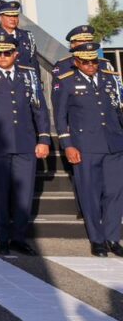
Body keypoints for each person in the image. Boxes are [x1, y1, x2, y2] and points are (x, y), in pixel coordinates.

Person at [0, 33, 50, 256]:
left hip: (25, 142)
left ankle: (19, 238)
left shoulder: (28, 76)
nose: (2, 57)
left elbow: (40, 109)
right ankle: (1, 238)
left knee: (24, 194)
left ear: (16, 54)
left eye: (7, 53)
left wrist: (43, 138)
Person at [53, 42, 123, 257]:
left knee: (115, 193)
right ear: (77, 62)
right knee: (90, 193)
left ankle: (112, 237)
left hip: (114, 144)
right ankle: (97, 239)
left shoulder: (110, 78)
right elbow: (60, 117)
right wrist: (68, 145)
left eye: (94, 61)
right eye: (86, 62)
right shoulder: (66, 82)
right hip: (85, 146)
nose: (91, 65)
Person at [0, 2, 36, 69]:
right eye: (8, 16)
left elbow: (34, 63)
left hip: (24, 77)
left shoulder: (27, 36)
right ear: (0, 18)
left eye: (15, 16)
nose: (13, 19)